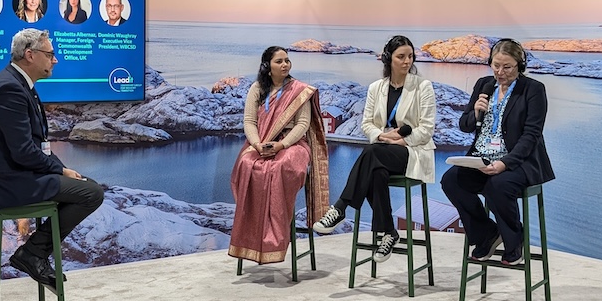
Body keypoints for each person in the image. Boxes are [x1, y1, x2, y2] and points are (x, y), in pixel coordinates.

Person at [0, 28, 104, 286]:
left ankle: (34, 253)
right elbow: (23, 152)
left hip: (18, 174)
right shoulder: (8, 89)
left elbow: (36, 144)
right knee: (92, 194)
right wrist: (59, 171)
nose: (55, 60)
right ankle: (33, 253)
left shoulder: (18, 84)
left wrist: (62, 168)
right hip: (8, 182)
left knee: (85, 186)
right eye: (50, 54)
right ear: (30, 55)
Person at [313, 35, 436, 262]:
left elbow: (426, 130)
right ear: (389, 59)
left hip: (412, 151)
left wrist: (397, 140)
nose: (407, 61)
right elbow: (367, 124)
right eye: (401, 57)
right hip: (382, 150)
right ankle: (389, 232)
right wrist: (380, 135)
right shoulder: (376, 88)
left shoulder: (423, 87)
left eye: (410, 56)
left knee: (371, 153)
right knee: (375, 172)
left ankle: (340, 208)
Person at [441, 38, 555, 266]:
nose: (500, 72)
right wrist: (475, 112)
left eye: (507, 67)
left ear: (519, 66)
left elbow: (531, 135)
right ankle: (487, 233)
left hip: (519, 161)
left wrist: (505, 163)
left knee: (498, 185)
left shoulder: (533, 90)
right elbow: (464, 125)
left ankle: (515, 242)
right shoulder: (484, 85)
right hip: (482, 158)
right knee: (451, 181)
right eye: (496, 66)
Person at [228, 46, 329, 265]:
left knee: (279, 166)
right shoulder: (257, 89)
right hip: (261, 143)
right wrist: (256, 144)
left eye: (287, 61)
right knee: (247, 163)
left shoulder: (299, 90)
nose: (285, 65)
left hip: (292, 145)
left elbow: (302, 124)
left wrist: (281, 145)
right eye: (279, 61)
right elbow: (249, 122)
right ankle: (250, 238)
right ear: (267, 66)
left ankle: (276, 237)